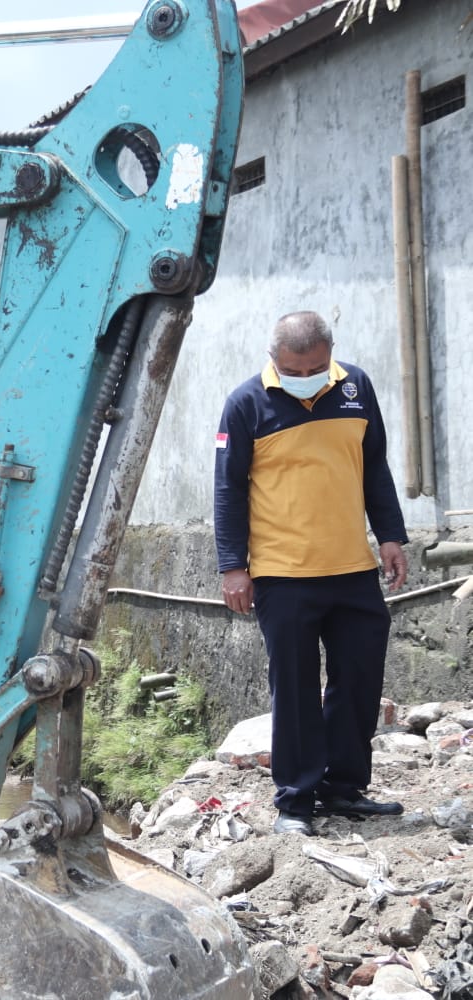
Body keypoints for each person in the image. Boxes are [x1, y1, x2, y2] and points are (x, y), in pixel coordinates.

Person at [214, 310, 409, 837]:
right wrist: (233, 567)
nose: (306, 377)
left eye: (316, 367)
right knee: (296, 689)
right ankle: (296, 802)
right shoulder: (246, 403)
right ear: (274, 358)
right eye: (294, 369)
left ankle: (344, 790)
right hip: (283, 575)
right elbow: (228, 488)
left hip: (352, 568)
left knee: (359, 682)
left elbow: (374, 466)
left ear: (330, 353)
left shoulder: (356, 387)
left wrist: (390, 535)